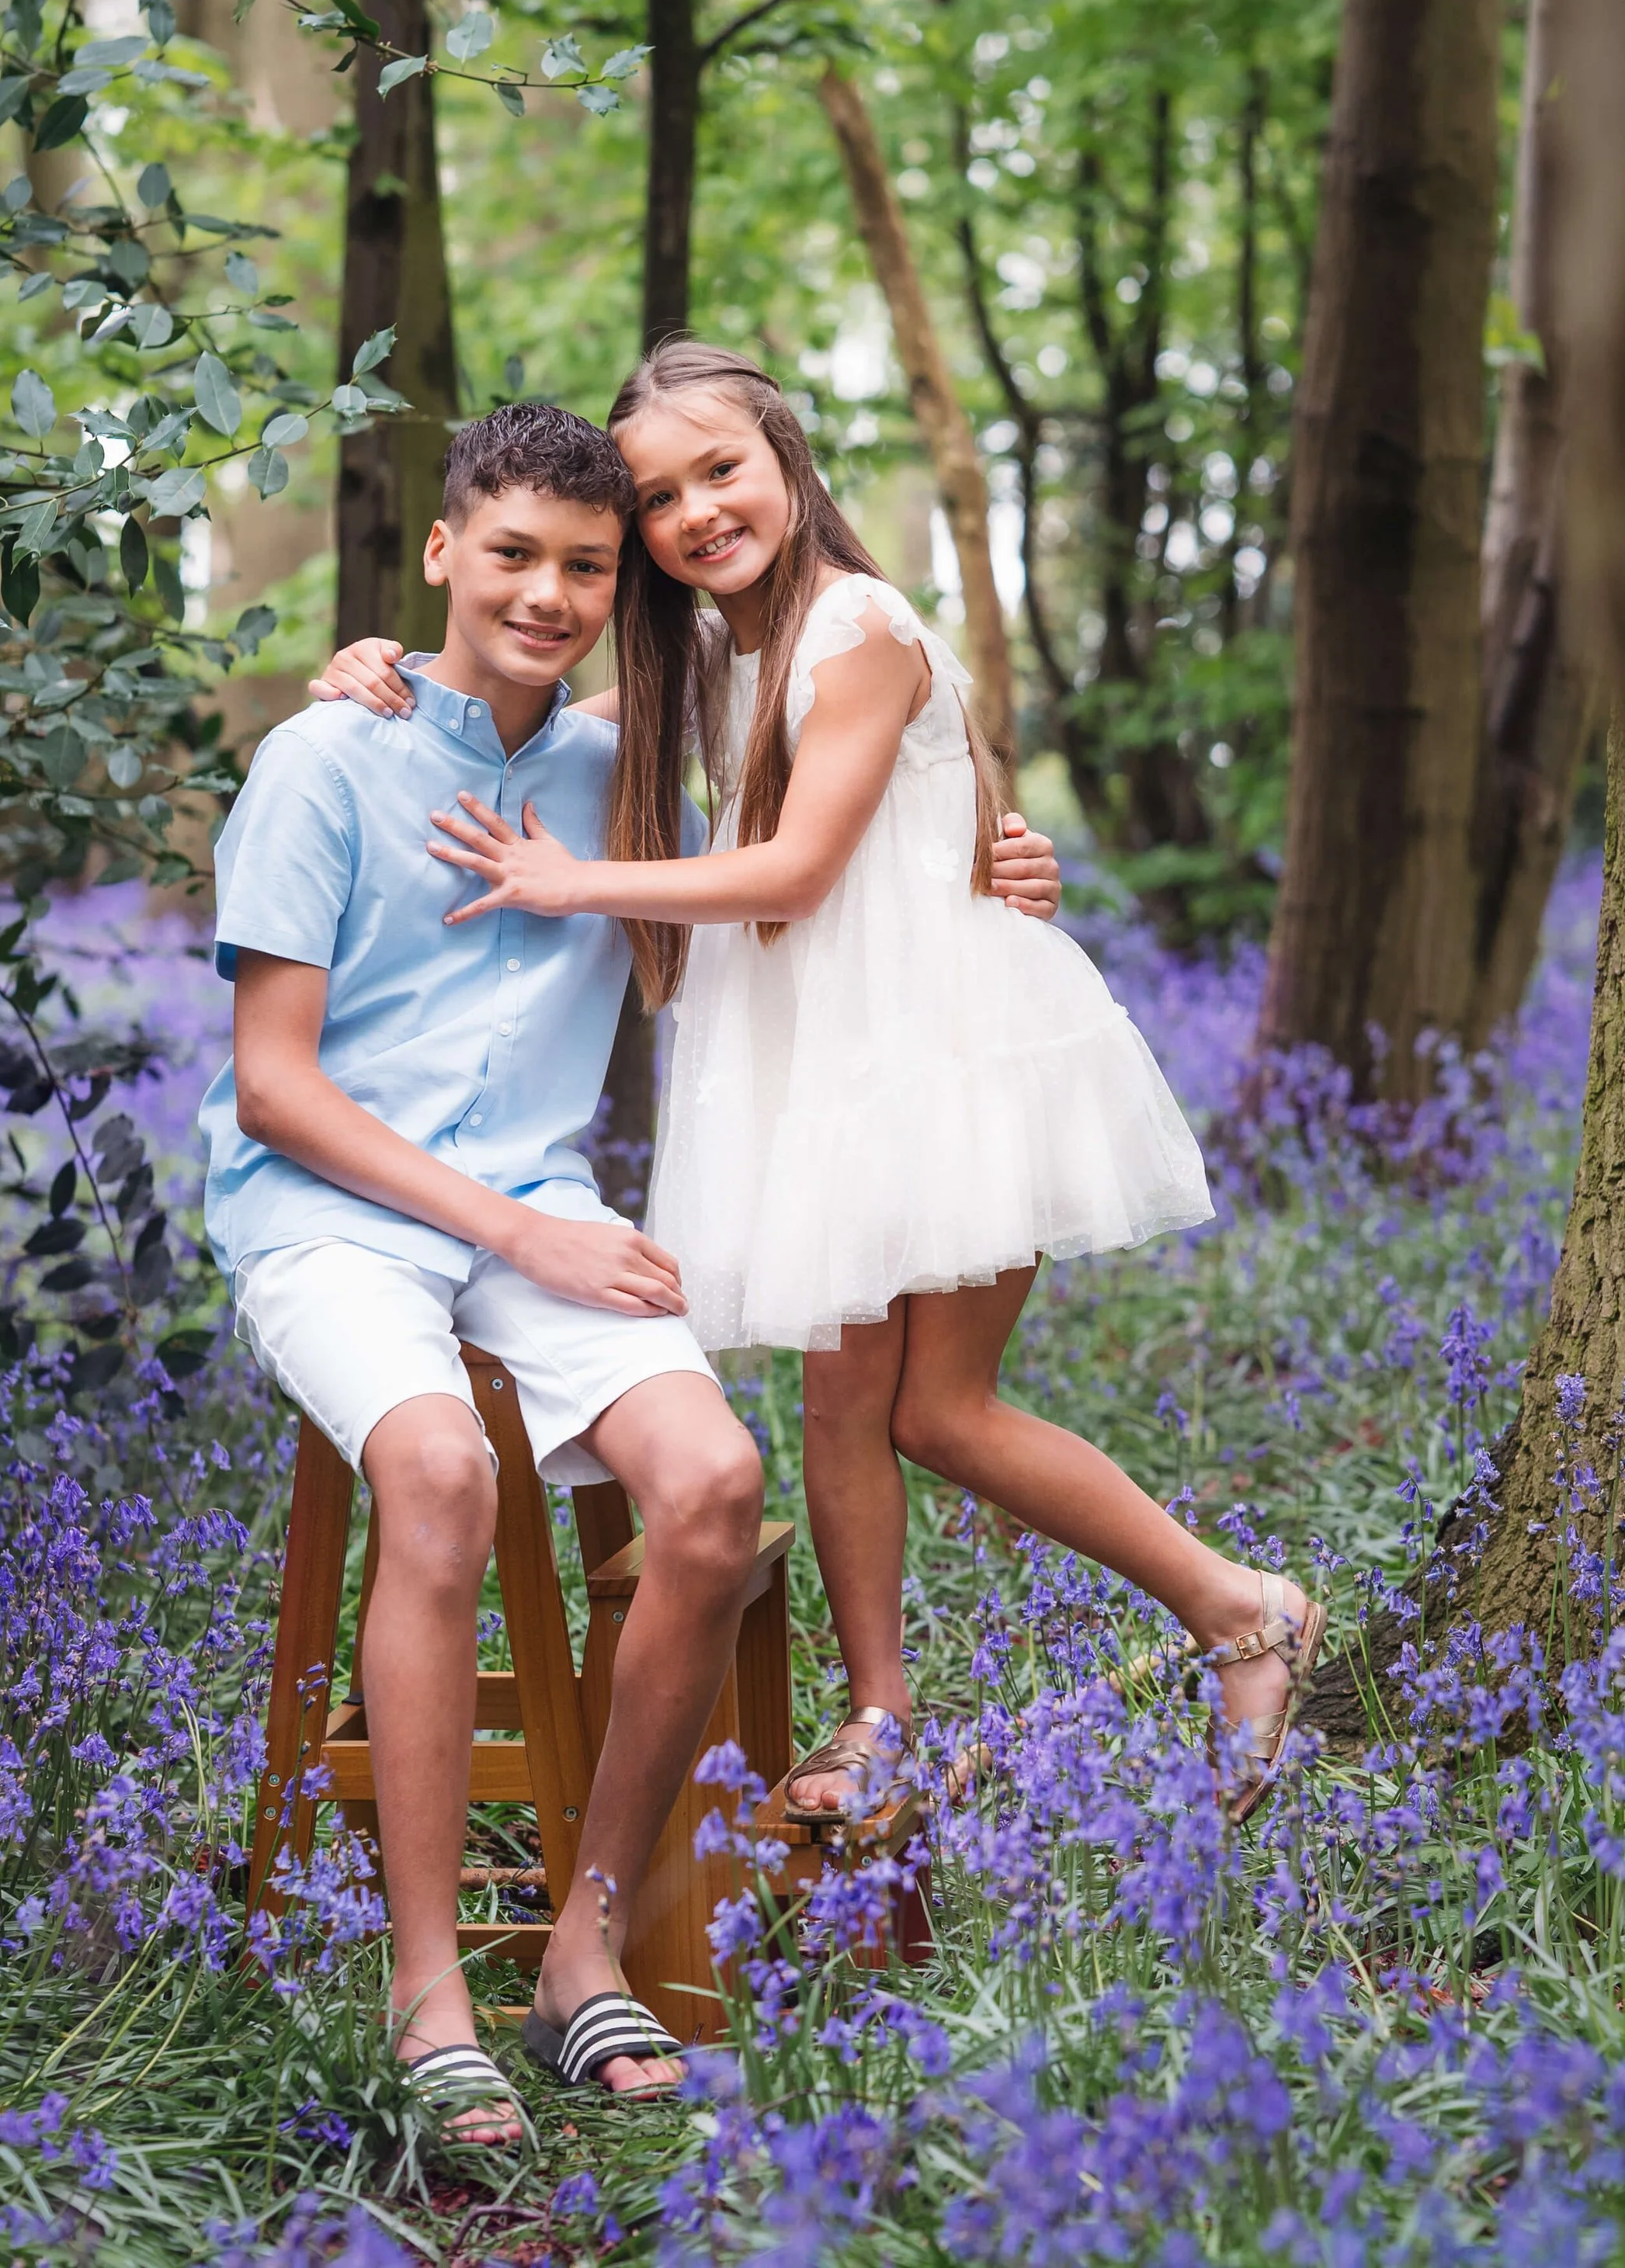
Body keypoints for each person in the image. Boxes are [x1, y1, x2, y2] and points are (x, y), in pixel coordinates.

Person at [313, 342, 1327, 1827]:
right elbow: (532, 706)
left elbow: (798, 866)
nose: (695, 512)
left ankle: (1246, 1611)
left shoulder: (858, 622)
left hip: (947, 1052)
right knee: (841, 1404)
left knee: (940, 1412)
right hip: (832, 1070)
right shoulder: (710, 653)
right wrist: (387, 668)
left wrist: (569, 882)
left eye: (719, 469)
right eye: (658, 497)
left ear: (785, 455)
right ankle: (880, 1719)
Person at [203, 403, 785, 2147]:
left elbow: (827, 815)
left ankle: (579, 1947)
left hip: (534, 1195)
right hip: (329, 1205)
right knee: (441, 1475)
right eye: (511, 553)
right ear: (444, 549)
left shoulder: (625, 768)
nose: (545, 593)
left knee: (711, 1486)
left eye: (584, 567)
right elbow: (273, 1084)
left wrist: (1001, 861)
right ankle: (427, 1989)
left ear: (622, 588)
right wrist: (512, 1231)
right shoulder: (325, 758)